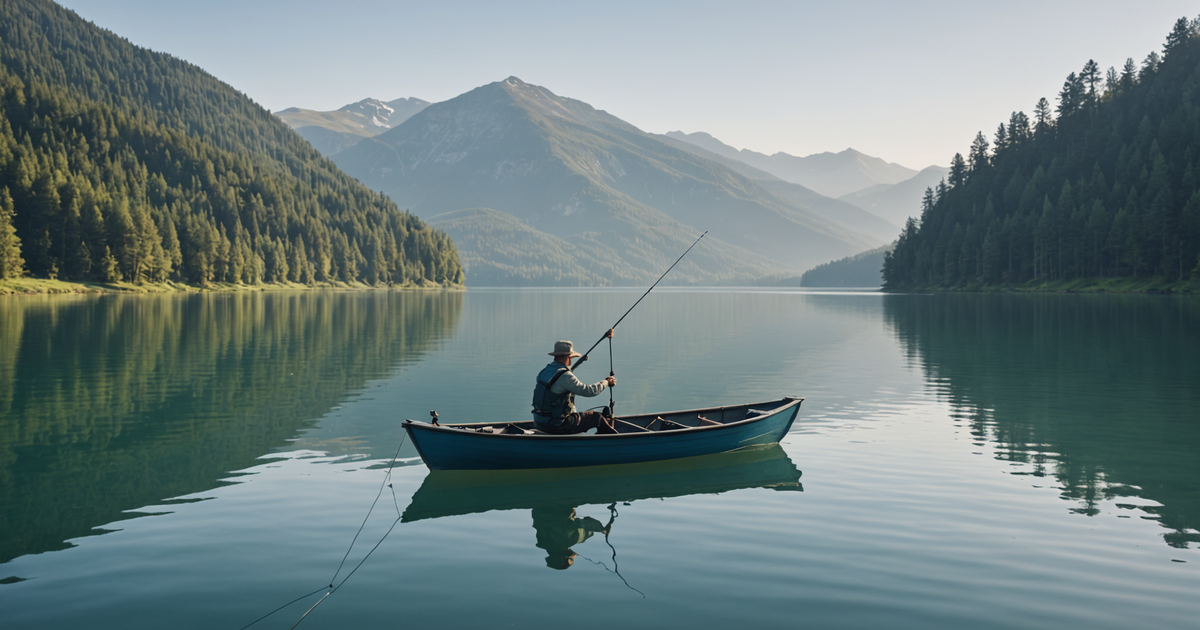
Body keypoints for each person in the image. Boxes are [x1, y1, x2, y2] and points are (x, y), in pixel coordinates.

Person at [531, 330, 617, 434]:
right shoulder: (565, 376)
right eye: (571, 358)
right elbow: (589, 391)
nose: (571, 361)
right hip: (557, 425)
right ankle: (612, 440)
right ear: (568, 357)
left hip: (540, 422)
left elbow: (559, 379)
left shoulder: (545, 371)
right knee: (596, 417)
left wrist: (579, 362)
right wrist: (606, 382)